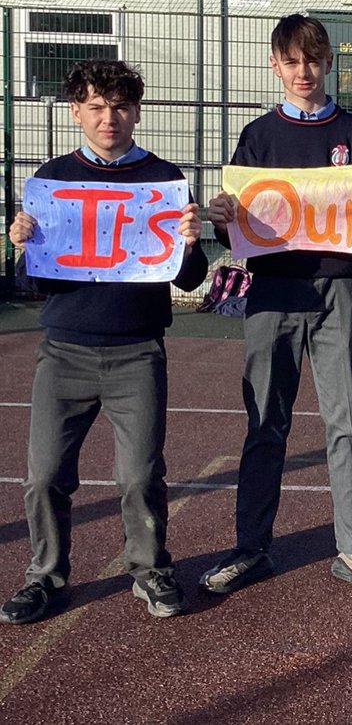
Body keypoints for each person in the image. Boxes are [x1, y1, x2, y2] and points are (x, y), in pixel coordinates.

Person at [1, 60, 208, 624]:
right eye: (96, 106)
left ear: (136, 112)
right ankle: (45, 577)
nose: (108, 117)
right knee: (44, 476)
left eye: (119, 106)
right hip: (63, 350)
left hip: (137, 350)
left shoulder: (164, 179)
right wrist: (21, 245)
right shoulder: (51, 177)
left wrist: (190, 242)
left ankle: (149, 569)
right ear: (76, 112)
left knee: (139, 475)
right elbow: (36, 280)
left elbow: (189, 279)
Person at [203, 14, 352, 597]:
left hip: (340, 290)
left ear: (329, 61)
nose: (302, 71)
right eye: (291, 61)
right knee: (266, 423)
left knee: (347, 423)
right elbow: (236, 226)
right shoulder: (258, 136)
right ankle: (251, 548)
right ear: (274, 65)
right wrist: (223, 217)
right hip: (272, 292)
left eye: (312, 59)